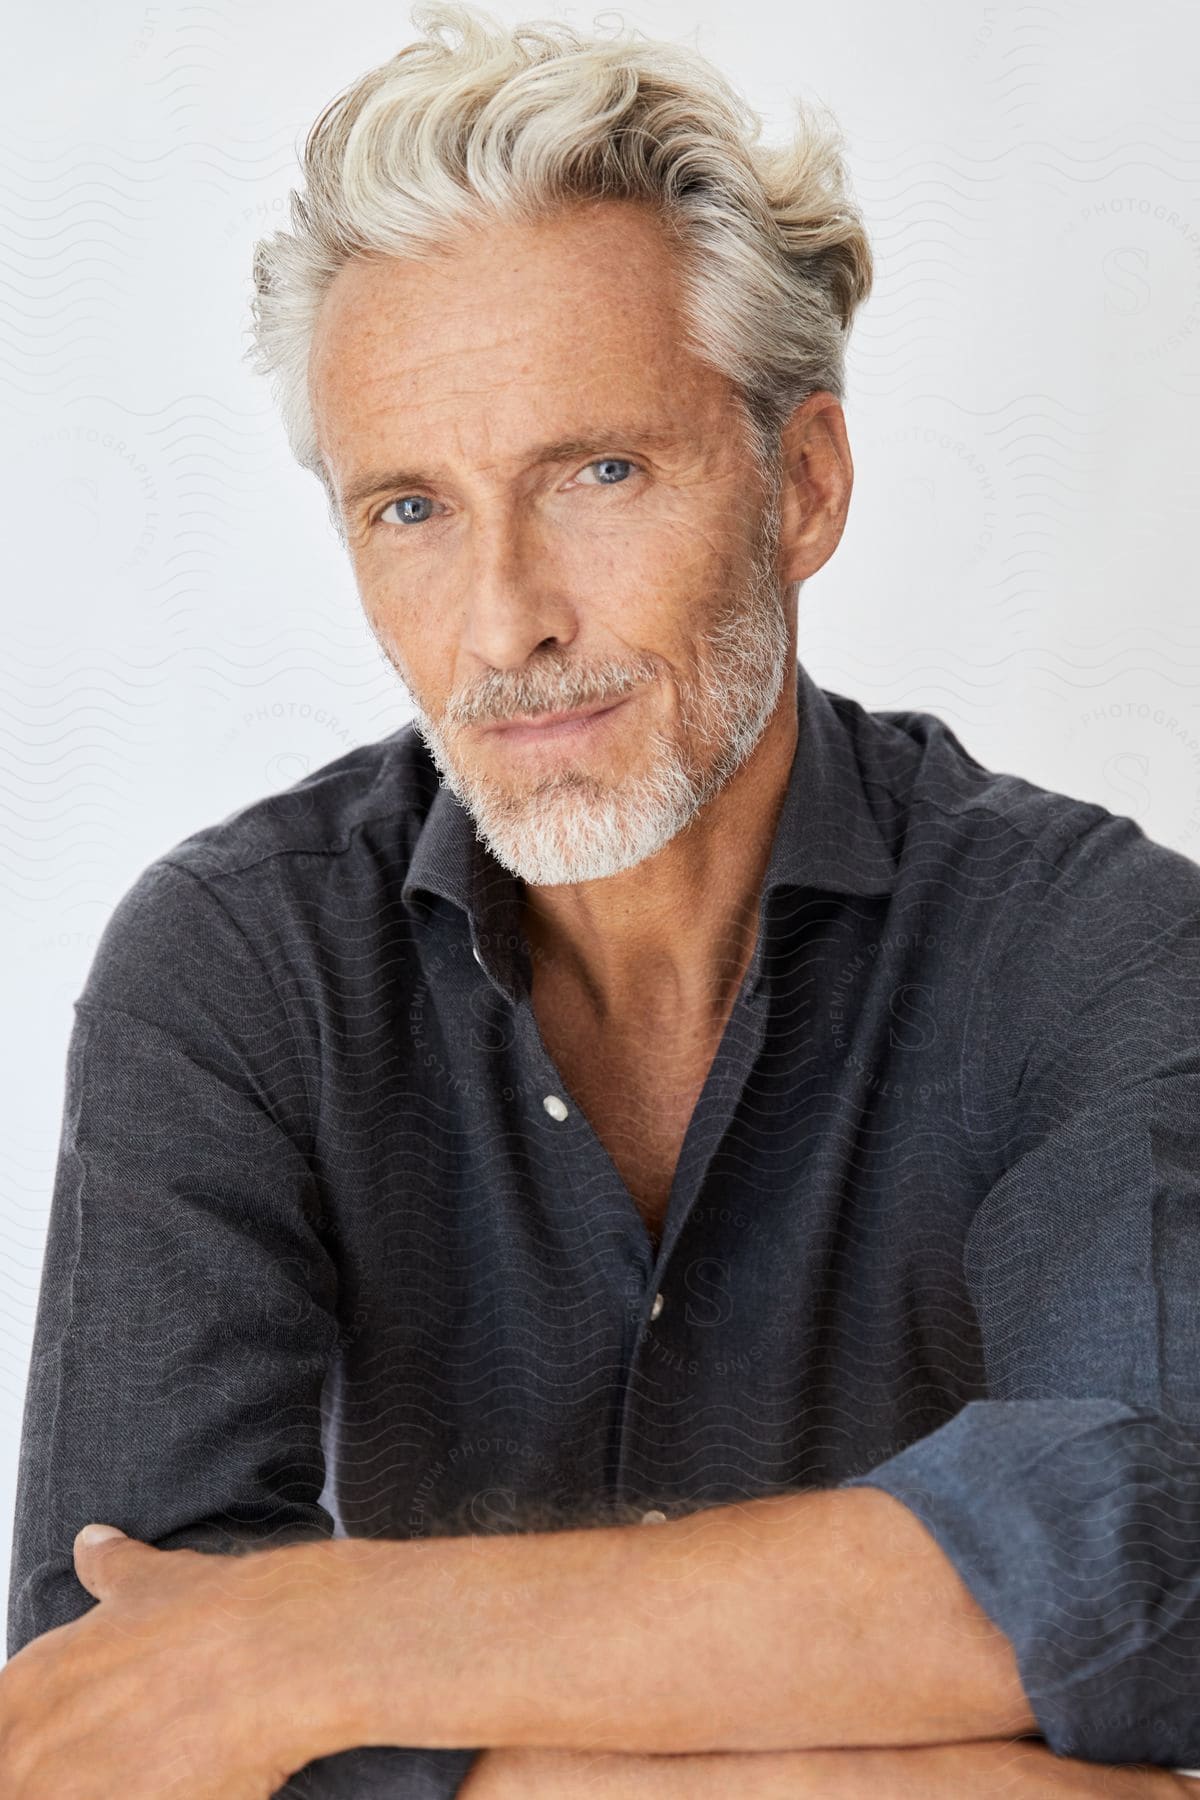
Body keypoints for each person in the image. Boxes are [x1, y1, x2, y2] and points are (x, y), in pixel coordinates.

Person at [6, 4, 1200, 1795]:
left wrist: (313, 1643)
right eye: (408, 506)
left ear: (801, 483)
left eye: (599, 472)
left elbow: (1153, 1566)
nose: (505, 623)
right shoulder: (237, 967)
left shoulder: (1094, 948)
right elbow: (101, 1724)